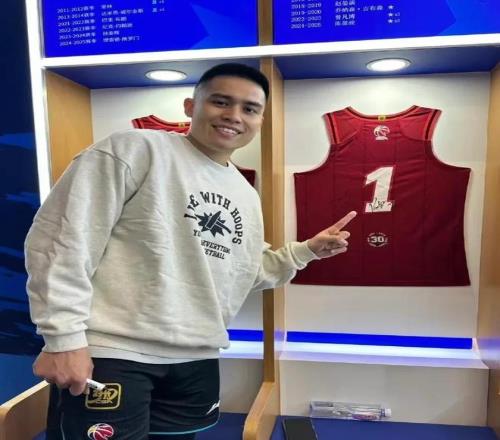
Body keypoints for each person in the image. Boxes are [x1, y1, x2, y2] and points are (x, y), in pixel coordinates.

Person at [25, 63, 356, 440]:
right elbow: (62, 241)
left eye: (249, 108)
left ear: (260, 120)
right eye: (221, 102)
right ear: (190, 106)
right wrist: (63, 339)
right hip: (114, 354)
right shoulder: (135, 149)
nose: (234, 116)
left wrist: (305, 251)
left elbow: (243, 270)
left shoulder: (244, 193)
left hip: (197, 359)